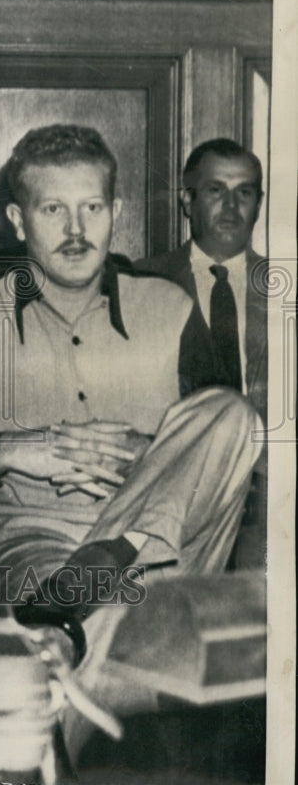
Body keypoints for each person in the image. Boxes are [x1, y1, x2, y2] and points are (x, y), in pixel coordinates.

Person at [0, 125, 262, 654]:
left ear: (116, 211)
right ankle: (93, 617)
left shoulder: (171, 307)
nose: (76, 230)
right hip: (27, 544)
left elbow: (221, 442)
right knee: (100, 634)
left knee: (234, 413)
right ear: (18, 221)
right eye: (52, 211)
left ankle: (105, 567)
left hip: (165, 552)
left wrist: (156, 455)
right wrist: (6, 450)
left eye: (92, 208)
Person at [134, 137, 267, 568]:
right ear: (187, 201)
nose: (231, 206)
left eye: (245, 192)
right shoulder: (137, 285)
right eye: (215, 190)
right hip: (173, 482)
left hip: (269, 491)